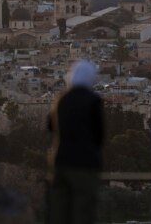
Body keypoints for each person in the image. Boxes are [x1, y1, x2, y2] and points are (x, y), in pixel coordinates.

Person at [47, 60, 104, 224]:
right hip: (86, 164)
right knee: (84, 210)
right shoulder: (93, 101)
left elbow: (50, 127)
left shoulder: (60, 100)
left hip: (61, 161)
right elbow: (99, 134)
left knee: (59, 209)